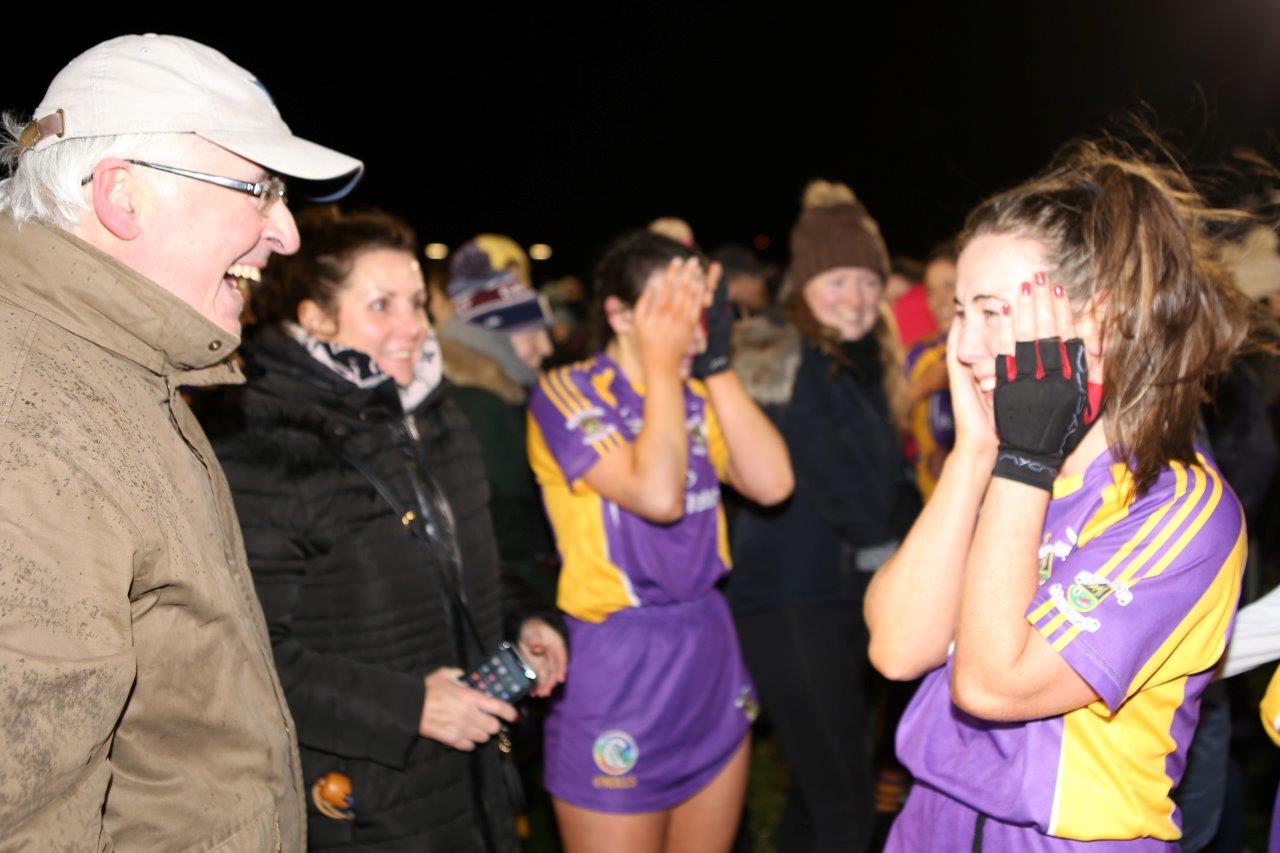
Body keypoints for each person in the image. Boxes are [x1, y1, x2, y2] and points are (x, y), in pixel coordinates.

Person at [0, 35, 361, 848]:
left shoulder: (121, 371)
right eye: (259, 190)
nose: (289, 235)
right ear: (124, 196)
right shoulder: (30, 420)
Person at [865, 138, 1251, 849]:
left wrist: (1021, 456)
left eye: (993, 312)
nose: (968, 348)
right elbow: (895, 647)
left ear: (1095, 320)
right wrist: (977, 451)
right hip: (931, 820)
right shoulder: (1005, 462)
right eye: (960, 314)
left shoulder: (1176, 506)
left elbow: (992, 685)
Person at [199, 206, 567, 850]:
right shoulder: (266, 441)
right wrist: (408, 707)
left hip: (478, 776)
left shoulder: (439, 418)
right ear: (314, 316)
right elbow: (243, 655)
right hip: (364, 799)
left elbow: (460, 568)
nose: (412, 328)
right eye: (381, 305)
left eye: (418, 304)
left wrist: (528, 622)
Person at [527, 231, 793, 852]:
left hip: (706, 643)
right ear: (619, 314)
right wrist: (663, 367)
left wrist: (718, 368)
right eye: (674, 306)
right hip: (619, 657)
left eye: (704, 306)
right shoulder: (567, 391)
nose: (694, 323)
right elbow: (657, 495)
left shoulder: (698, 391)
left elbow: (774, 483)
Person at [727, 179, 918, 852]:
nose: (856, 297)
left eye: (869, 282)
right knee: (845, 803)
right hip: (790, 601)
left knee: (821, 796)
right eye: (838, 279)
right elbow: (831, 470)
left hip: (848, 598)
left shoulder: (865, 362)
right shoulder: (787, 353)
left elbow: (890, 477)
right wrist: (900, 555)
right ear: (805, 284)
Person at [903, 240, 959, 500]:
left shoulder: (990, 345)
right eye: (930, 290)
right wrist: (924, 386)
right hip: (932, 497)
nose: (939, 300)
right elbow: (893, 419)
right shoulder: (917, 354)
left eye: (949, 285)